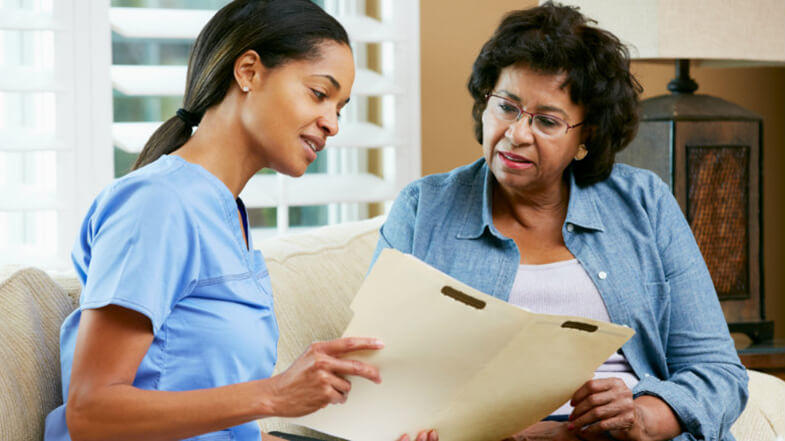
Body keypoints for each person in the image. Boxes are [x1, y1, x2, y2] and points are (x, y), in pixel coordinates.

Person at [44, 1, 436, 440]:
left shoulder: (226, 215)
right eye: (319, 94)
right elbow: (90, 412)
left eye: (340, 109)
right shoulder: (157, 205)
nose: (332, 124)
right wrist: (274, 395)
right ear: (248, 71)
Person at [371, 2, 748, 441]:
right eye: (506, 107)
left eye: (547, 121)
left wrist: (643, 417)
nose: (517, 133)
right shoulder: (423, 209)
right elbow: (376, 372)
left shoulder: (644, 203)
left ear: (586, 135)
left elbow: (718, 372)